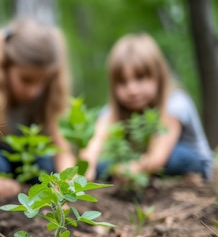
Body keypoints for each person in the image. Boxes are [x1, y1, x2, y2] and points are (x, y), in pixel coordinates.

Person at [81, 33, 213, 183]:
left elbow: (158, 157)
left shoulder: (175, 102)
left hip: (184, 161)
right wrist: (86, 171)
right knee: (102, 164)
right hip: (139, 163)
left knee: (178, 157)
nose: (132, 89)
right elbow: (95, 145)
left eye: (140, 78)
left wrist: (126, 170)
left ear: (158, 75)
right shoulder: (111, 111)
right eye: (122, 82)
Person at [0, 18, 75, 202]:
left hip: (29, 159)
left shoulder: (47, 96)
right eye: (26, 80)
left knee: (45, 164)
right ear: (5, 66)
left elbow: (62, 149)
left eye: (43, 81)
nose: (35, 90)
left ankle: (23, 188)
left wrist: (67, 183)